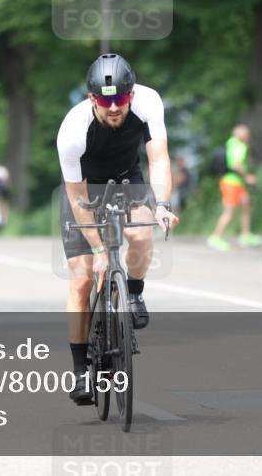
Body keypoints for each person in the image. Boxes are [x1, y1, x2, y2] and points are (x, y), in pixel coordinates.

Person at [56, 53, 180, 405]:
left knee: (141, 234)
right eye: (106, 101)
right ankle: (81, 372)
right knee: (81, 279)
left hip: (127, 177)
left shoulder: (149, 102)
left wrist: (163, 205)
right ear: (92, 98)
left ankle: (135, 292)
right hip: (83, 189)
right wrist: (96, 250)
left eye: (121, 99)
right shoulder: (72, 131)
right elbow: (78, 199)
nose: (114, 107)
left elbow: (158, 159)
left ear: (132, 95)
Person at [207, 125, 260, 251]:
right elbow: (236, 165)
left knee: (246, 204)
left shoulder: (231, 144)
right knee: (229, 211)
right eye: (247, 134)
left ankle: (245, 235)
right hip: (231, 183)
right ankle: (215, 237)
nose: (248, 136)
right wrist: (247, 177)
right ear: (241, 135)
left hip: (236, 183)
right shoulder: (239, 146)